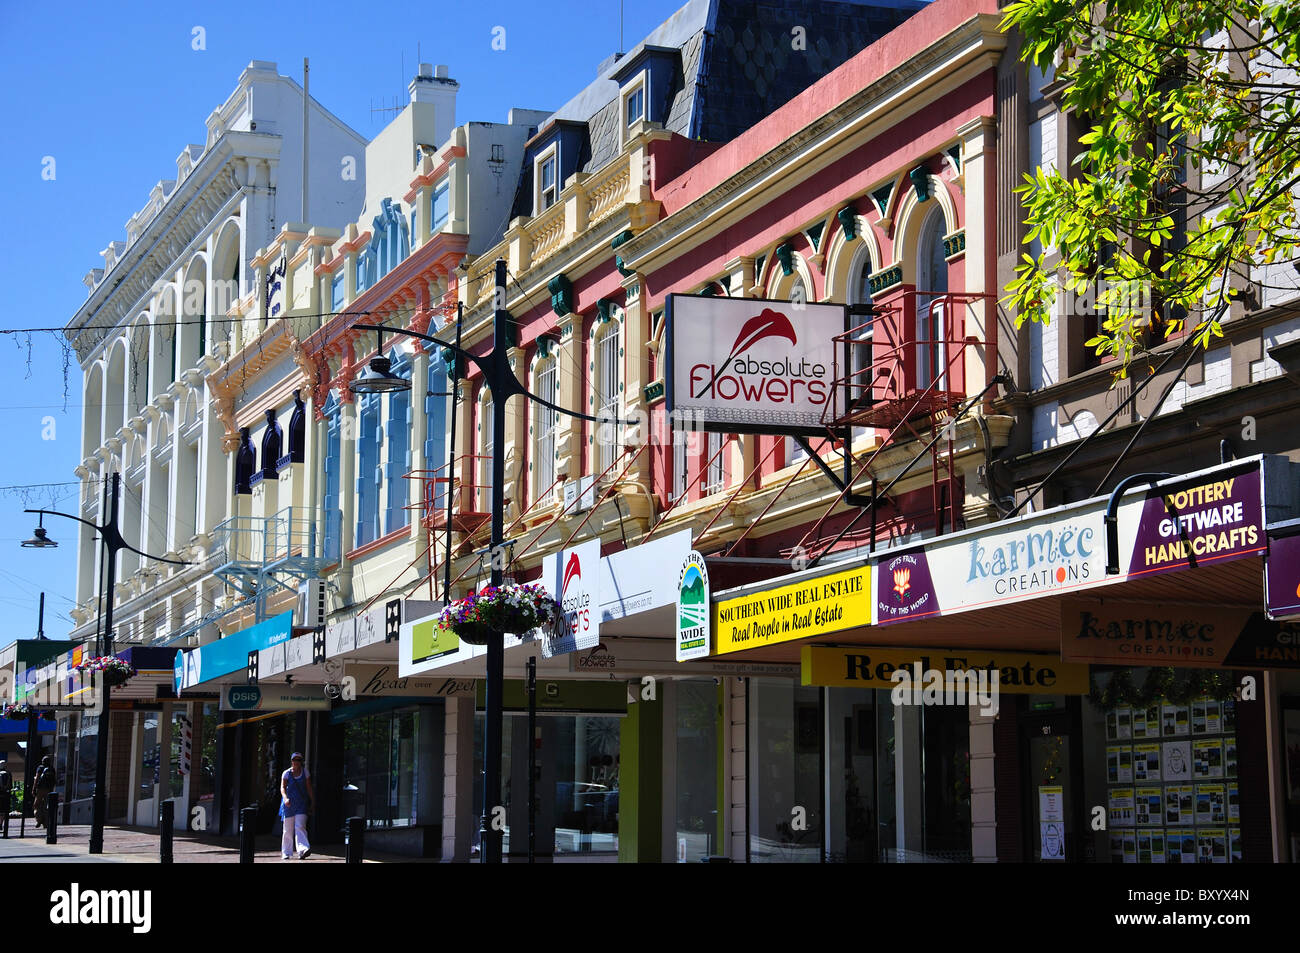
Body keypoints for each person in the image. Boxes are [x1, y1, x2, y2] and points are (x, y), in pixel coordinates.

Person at [279, 751, 314, 859]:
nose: (296, 762)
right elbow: (283, 787)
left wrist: (313, 801)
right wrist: (285, 798)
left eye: (299, 760)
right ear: (291, 761)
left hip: (301, 803)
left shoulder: (305, 773)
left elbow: (309, 788)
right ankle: (286, 852)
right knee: (288, 829)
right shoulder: (286, 773)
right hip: (289, 804)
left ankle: (303, 850)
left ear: (301, 762)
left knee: (300, 826)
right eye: (295, 760)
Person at [33, 756, 54, 828]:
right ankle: (46, 823)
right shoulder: (52, 769)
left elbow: (37, 778)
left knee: (36, 805)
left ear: (42, 761)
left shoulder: (40, 768)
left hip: (40, 789)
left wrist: (34, 788)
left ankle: (39, 819)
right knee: (46, 806)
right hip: (49, 789)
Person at [0, 758, 11, 836]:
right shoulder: (8, 774)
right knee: (4, 811)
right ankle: (1, 823)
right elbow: (10, 786)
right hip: (6, 794)